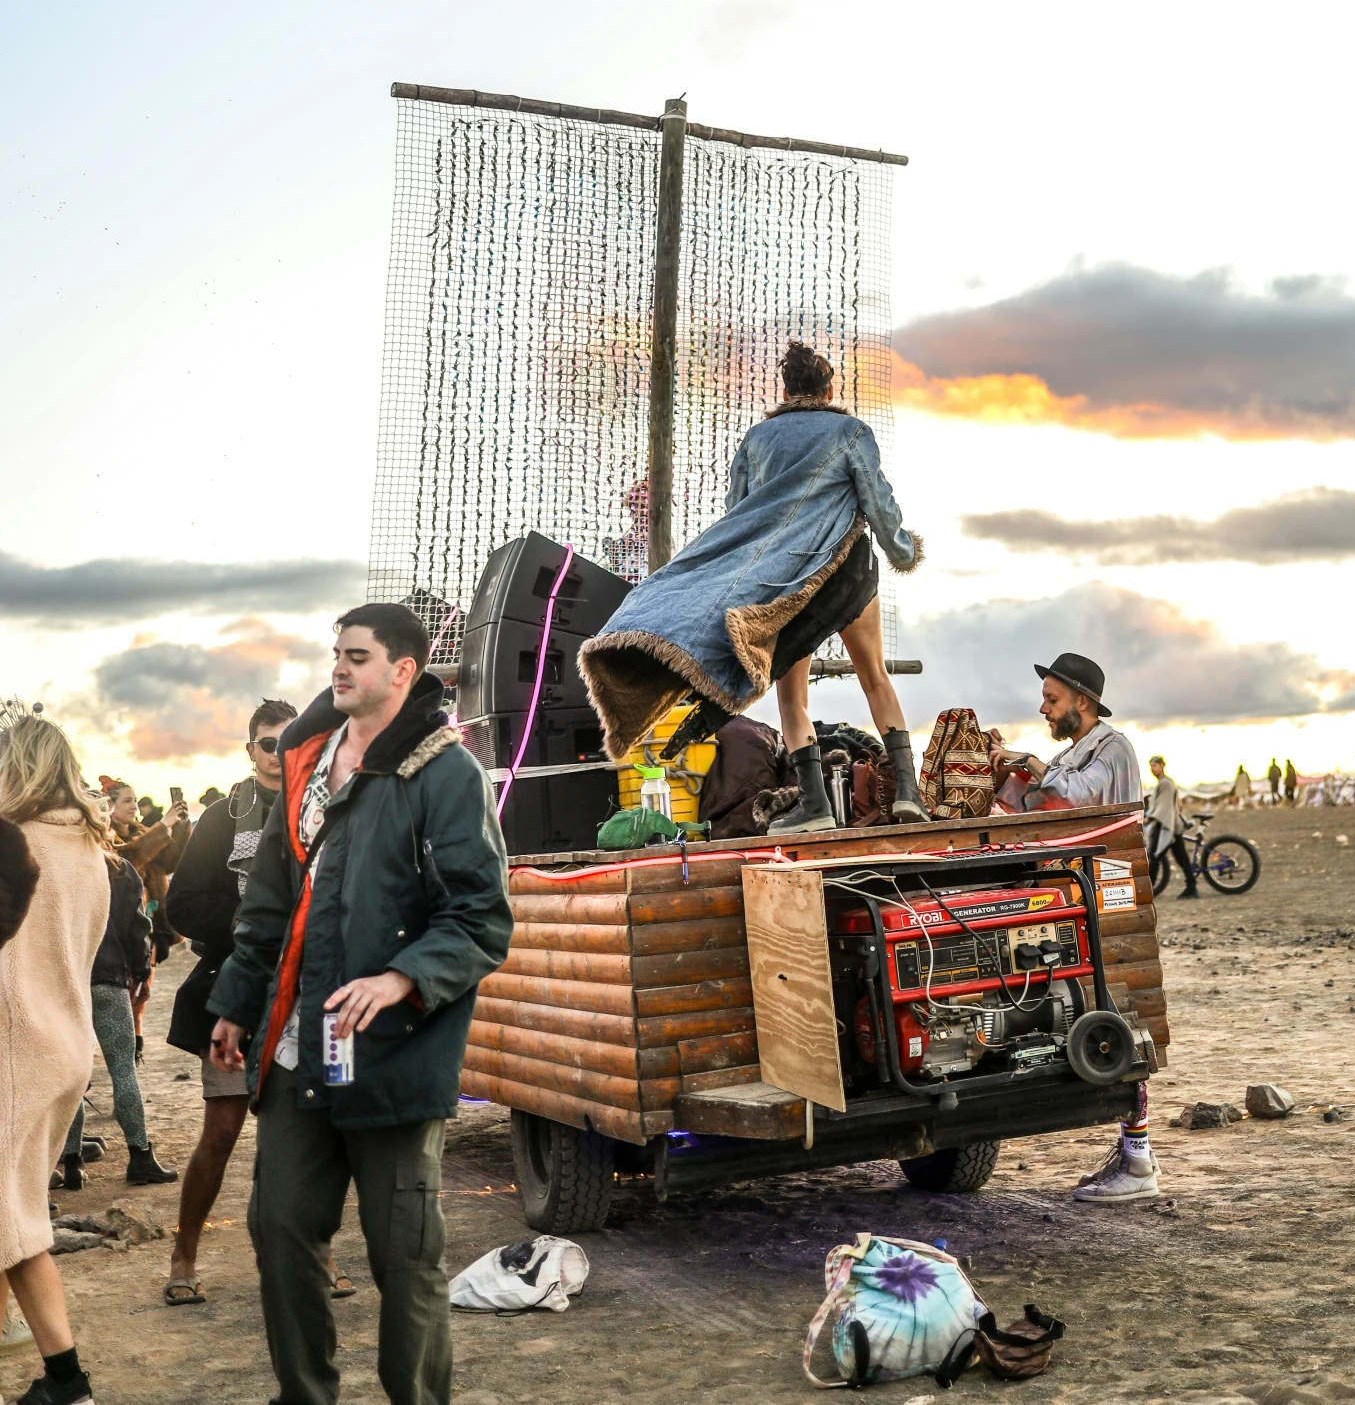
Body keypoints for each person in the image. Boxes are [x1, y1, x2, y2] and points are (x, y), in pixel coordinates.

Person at [208, 605, 513, 1405]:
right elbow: (272, 900)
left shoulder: (446, 774)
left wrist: (401, 977)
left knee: (403, 1258)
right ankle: (304, 1396)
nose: (337, 670)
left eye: (356, 657)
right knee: (278, 1231)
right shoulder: (310, 765)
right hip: (299, 1049)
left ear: (402, 671)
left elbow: (481, 915)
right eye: (334, 655)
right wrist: (237, 1003)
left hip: (395, 1057)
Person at [580, 340, 926, 835]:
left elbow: (739, 515)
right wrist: (903, 552)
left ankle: (814, 807)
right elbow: (878, 501)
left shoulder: (758, 439)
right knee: (874, 677)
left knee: (792, 695)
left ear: (787, 391)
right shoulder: (852, 432)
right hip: (846, 570)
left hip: (785, 584)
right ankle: (908, 793)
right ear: (829, 390)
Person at [161, 699, 300, 1307]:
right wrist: (252, 920)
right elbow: (182, 906)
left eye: (287, 742)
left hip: (304, 996)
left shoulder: (320, 809)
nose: (277, 754)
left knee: (301, 1140)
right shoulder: (221, 820)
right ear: (250, 750)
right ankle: (183, 1253)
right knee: (220, 1134)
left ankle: (308, 1258)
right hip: (236, 995)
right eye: (267, 744)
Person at [0, 713, 112, 1405]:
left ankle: (68, 1382)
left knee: (15, 1223)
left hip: (12, 1043)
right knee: (13, 1212)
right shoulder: (91, 851)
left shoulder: (13, 844)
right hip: (65, 1046)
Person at [1027, 654, 1158, 1205]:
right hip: (1085, 901)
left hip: (1112, 899)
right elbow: (1037, 805)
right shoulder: (1074, 754)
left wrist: (1034, 768)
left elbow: (1078, 797)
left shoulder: (1114, 748)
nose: (1044, 707)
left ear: (1083, 701)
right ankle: (1134, 1156)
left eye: (1053, 699)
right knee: (1101, 1014)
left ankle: (1138, 1163)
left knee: (1125, 1020)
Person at [57, 844, 176, 1190]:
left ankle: (73, 1163)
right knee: (123, 1070)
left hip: (67, 983)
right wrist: (140, 971)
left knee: (74, 1076)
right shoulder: (118, 868)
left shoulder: (52, 861)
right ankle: (140, 1157)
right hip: (108, 979)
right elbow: (137, 927)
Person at [104, 781, 190, 1050]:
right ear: (110, 806)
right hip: (120, 926)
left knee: (143, 989)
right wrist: (163, 826)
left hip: (150, 923)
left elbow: (171, 862)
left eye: (134, 800)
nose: (133, 806)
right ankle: (123, 1046)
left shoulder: (143, 831)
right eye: (127, 801)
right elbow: (131, 857)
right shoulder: (106, 837)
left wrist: (181, 827)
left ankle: (135, 1043)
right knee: (125, 989)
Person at [1145, 756, 1198, 898]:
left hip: (1165, 826)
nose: (1153, 768)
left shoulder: (1166, 783)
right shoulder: (1163, 782)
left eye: (1155, 765)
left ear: (1162, 766)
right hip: (1171, 825)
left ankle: (1148, 891)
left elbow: (1164, 806)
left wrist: (1150, 818)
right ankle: (1191, 886)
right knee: (1182, 859)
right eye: (1151, 765)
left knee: (1155, 856)